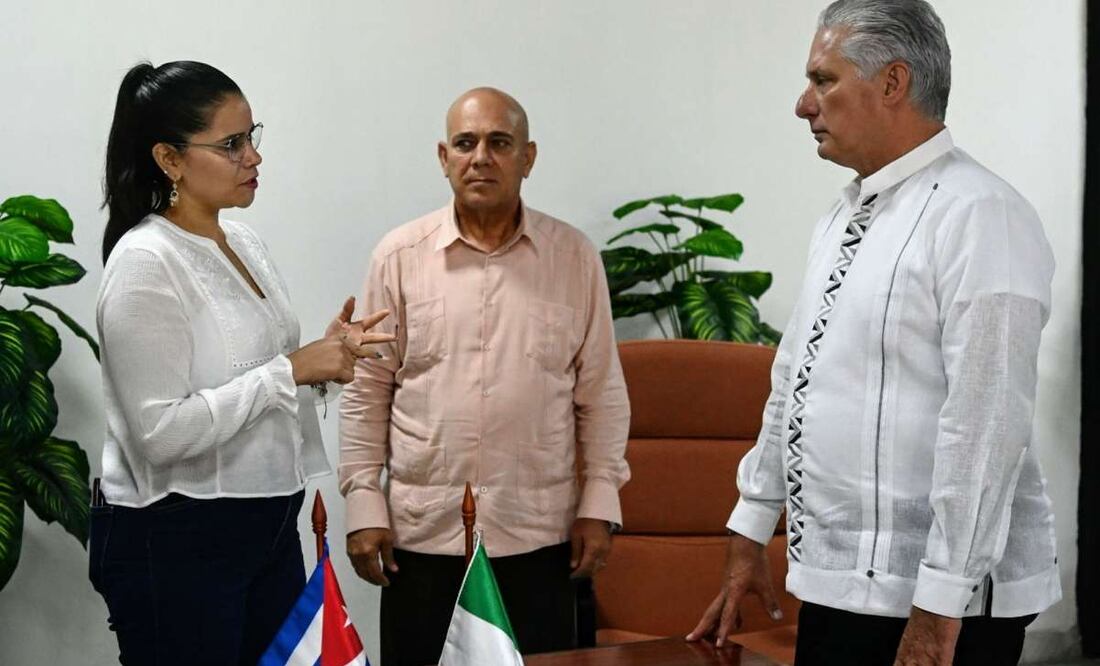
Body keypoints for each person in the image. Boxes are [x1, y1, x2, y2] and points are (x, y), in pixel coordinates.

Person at [687, 2, 1061, 664]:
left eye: (823, 79)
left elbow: (984, 428)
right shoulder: (841, 218)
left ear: (892, 83)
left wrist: (939, 610)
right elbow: (794, 380)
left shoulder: (982, 216)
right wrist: (751, 526)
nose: (804, 105)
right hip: (842, 589)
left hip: (935, 604)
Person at [91, 60, 392, 665]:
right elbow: (158, 434)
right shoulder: (145, 261)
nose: (253, 156)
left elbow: (255, 374)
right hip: (178, 535)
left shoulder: (244, 241)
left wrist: (327, 359)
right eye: (231, 144)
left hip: (269, 521)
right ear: (170, 160)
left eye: (253, 135)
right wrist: (292, 370)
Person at [339, 87, 631, 665]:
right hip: (422, 540)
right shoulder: (398, 257)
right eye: (466, 143)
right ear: (444, 157)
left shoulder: (573, 258)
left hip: (539, 539)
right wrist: (364, 503)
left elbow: (601, 394)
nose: (481, 158)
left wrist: (599, 503)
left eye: (500, 143)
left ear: (528, 157)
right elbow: (367, 392)